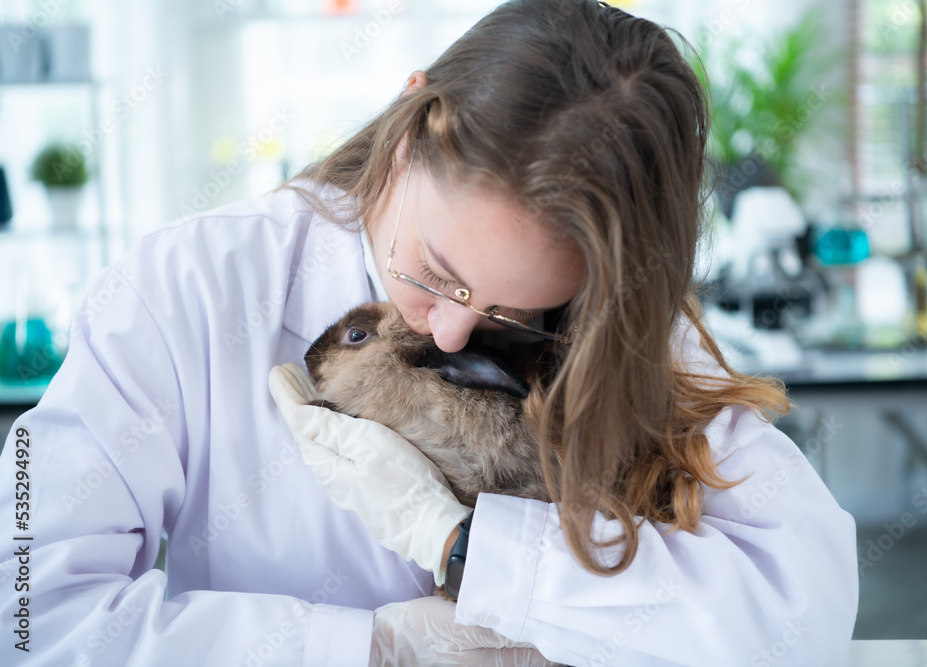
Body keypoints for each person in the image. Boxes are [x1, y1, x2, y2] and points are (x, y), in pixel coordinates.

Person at [0, 1, 858, 665]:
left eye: (512, 316)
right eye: (433, 271)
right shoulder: (185, 289)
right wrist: (365, 649)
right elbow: (26, 609)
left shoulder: (620, 323)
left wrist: (474, 552)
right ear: (409, 130)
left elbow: (804, 611)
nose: (451, 334)